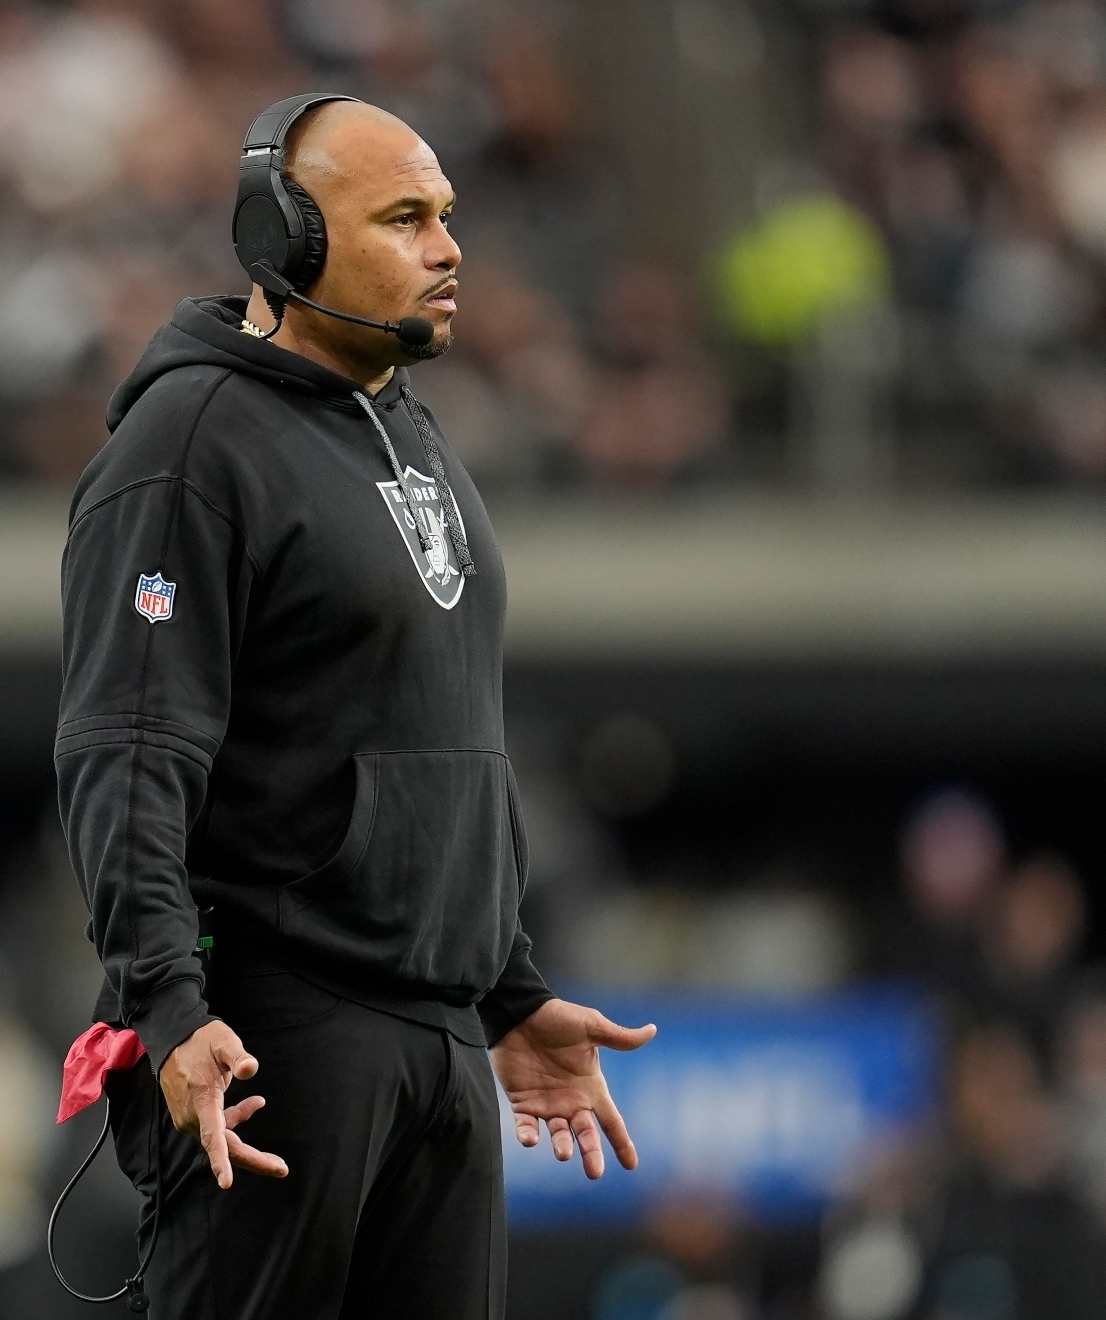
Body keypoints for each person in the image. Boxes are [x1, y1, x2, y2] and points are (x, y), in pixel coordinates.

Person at [54, 94, 655, 1319]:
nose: (450, 249)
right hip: (276, 1034)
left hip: (437, 1041)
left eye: (447, 217)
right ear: (286, 240)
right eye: (404, 218)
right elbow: (126, 749)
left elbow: (436, 741)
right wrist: (172, 1006)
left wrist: (506, 988)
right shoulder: (190, 441)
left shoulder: (411, 431)